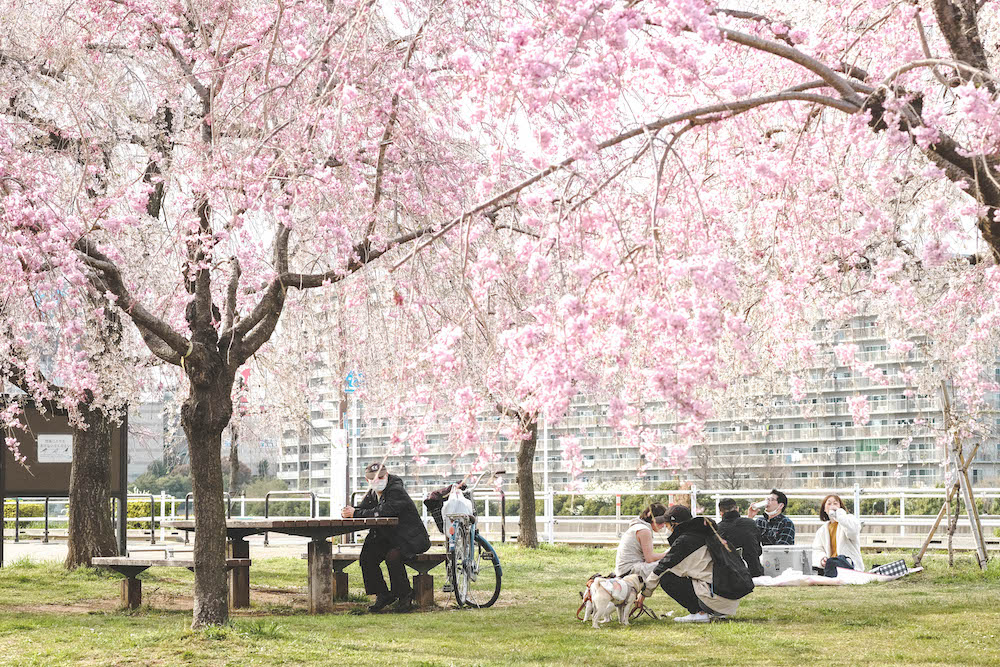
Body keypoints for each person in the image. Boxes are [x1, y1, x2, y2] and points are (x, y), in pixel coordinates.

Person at [342, 462, 430, 612]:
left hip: (410, 539)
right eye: (373, 478)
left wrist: (355, 513)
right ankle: (382, 594)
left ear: (387, 475)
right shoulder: (372, 494)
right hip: (388, 538)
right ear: (367, 479)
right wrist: (350, 512)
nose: (377, 481)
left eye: (381, 477)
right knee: (367, 557)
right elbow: (365, 510)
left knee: (393, 557)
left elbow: (384, 511)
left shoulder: (396, 490)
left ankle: (405, 595)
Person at [643, 504, 754, 623]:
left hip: (717, 597)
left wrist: (643, 594)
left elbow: (662, 567)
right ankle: (714, 612)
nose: (666, 527)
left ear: (674, 524)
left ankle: (699, 613)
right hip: (728, 598)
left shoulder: (685, 541)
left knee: (667, 578)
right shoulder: (708, 534)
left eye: (667, 524)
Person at [811, 493, 864, 577]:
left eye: (835, 503)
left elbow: (853, 532)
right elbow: (817, 549)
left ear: (840, 507)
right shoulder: (821, 530)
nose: (832, 506)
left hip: (848, 566)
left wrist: (840, 515)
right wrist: (822, 559)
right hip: (830, 567)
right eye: (829, 503)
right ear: (824, 509)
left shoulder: (849, 520)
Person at [614, 502, 669, 578]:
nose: (663, 525)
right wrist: (668, 555)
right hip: (629, 571)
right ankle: (648, 589)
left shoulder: (639, 527)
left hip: (627, 569)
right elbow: (650, 558)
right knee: (669, 564)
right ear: (651, 518)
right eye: (661, 521)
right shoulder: (644, 530)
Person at [717, 498, 763, 577]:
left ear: (721, 513)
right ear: (737, 509)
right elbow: (758, 550)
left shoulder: (718, 529)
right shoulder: (750, 523)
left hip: (730, 575)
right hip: (754, 571)